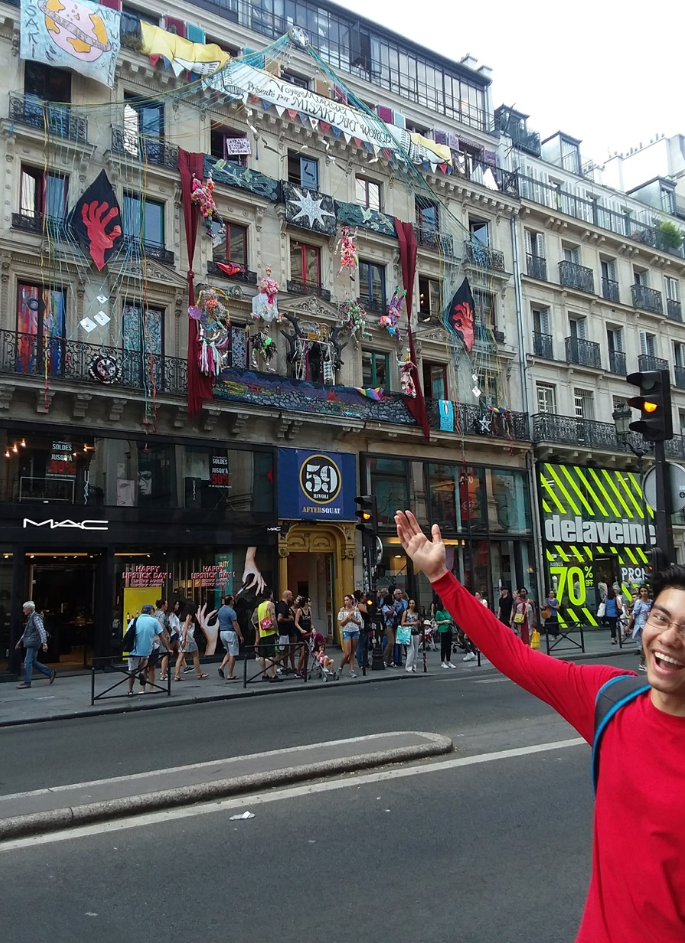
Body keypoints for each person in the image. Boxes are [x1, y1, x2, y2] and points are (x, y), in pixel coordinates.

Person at [396, 509, 685, 943]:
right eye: (661, 618)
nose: (669, 638)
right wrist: (441, 579)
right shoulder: (612, 699)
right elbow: (516, 656)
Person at [125, 603, 165, 696]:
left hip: (133, 649)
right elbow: (161, 636)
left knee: (132, 671)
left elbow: (127, 634)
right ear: (151, 611)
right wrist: (168, 648)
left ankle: (130, 690)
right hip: (147, 648)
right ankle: (149, 684)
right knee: (147, 662)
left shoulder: (134, 620)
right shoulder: (154, 621)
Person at [15, 601, 56, 689]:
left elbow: (41, 630)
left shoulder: (36, 617)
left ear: (29, 609)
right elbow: (27, 632)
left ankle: (27, 682)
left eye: (24, 608)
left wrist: (44, 643)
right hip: (32, 642)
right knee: (32, 661)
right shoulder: (31, 617)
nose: (23, 610)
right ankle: (50, 672)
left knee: (27, 662)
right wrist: (20, 641)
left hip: (33, 643)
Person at [174, 602, 209, 681]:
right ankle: (199, 673)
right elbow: (186, 627)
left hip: (183, 637)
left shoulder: (181, 616)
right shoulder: (189, 616)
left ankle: (177, 675)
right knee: (195, 655)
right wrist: (184, 639)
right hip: (188, 638)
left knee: (181, 656)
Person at [255, 588, 280, 683]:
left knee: (262, 655)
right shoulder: (270, 604)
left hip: (262, 632)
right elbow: (273, 618)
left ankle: (264, 674)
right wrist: (276, 630)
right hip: (270, 631)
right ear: (270, 595)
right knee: (271, 654)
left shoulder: (260, 606)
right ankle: (273, 674)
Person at [217, 595, 243, 682]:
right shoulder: (231, 612)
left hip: (222, 632)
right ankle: (230, 674)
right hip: (230, 632)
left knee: (229, 652)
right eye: (233, 600)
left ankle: (222, 666)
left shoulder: (221, 610)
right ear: (231, 601)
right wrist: (240, 635)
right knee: (233, 654)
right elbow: (235, 624)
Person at [337, 594, 362, 678]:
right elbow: (340, 623)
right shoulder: (342, 610)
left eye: (347, 600)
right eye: (345, 600)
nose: (346, 602)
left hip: (355, 631)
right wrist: (348, 617)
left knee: (352, 652)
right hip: (346, 631)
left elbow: (360, 622)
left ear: (352, 600)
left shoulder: (356, 610)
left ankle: (352, 670)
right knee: (347, 652)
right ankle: (340, 667)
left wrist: (353, 619)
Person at [628, 585, 652, 671]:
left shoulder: (651, 602)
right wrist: (628, 626)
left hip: (650, 624)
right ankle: (642, 663)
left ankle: (646, 663)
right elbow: (633, 614)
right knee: (646, 644)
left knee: (650, 645)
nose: (644, 593)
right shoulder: (639, 602)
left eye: (645, 591)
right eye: (642, 591)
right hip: (641, 625)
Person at [276, 589, 296, 675]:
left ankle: (285, 666)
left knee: (285, 650)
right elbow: (279, 618)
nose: (292, 597)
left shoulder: (286, 605)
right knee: (281, 650)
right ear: (286, 596)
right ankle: (279, 668)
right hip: (282, 632)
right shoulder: (282, 606)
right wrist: (289, 619)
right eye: (290, 595)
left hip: (286, 632)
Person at [161, 599, 182, 681]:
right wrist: (180, 633)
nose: (178, 606)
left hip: (174, 635)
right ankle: (163, 674)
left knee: (179, 652)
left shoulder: (172, 614)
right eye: (177, 604)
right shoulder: (171, 615)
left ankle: (166, 672)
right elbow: (173, 626)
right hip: (173, 635)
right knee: (167, 654)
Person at [294, 595, 314, 677]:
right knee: (302, 653)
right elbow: (296, 622)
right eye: (309, 601)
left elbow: (311, 622)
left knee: (307, 652)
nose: (310, 603)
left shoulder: (309, 610)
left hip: (308, 632)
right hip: (301, 634)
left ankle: (304, 669)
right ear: (305, 602)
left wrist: (313, 628)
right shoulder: (300, 610)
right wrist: (301, 630)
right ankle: (298, 670)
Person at [434, 596, 456, 669]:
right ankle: (442, 661)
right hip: (442, 630)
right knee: (443, 646)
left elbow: (452, 618)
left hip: (448, 629)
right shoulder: (439, 612)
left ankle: (449, 661)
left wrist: (451, 621)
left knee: (448, 646)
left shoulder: (448, 611)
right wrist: (444, 621)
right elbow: (437, 622)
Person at [401, 598, 422, 673]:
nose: (411, 605)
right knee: (411, 650)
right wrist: (412, 623)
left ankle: (414, 666)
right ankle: (408, 667)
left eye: (413, 603)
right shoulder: (406, 612)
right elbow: (402, 623)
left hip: (415, 632)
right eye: (410, 603)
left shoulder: (417, 613)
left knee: (416, 650)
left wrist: (419, 623)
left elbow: (419, 622)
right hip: (408, 632)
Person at [353, 590, 371, 669]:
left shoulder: (362, 604)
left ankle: (365, 661)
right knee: (361, 645)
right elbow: (368, 611)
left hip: (365, 626)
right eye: (364, 596)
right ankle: (361, 662)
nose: (365, 598)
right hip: (361, 627)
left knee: (366, 645)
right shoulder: (360, 605)